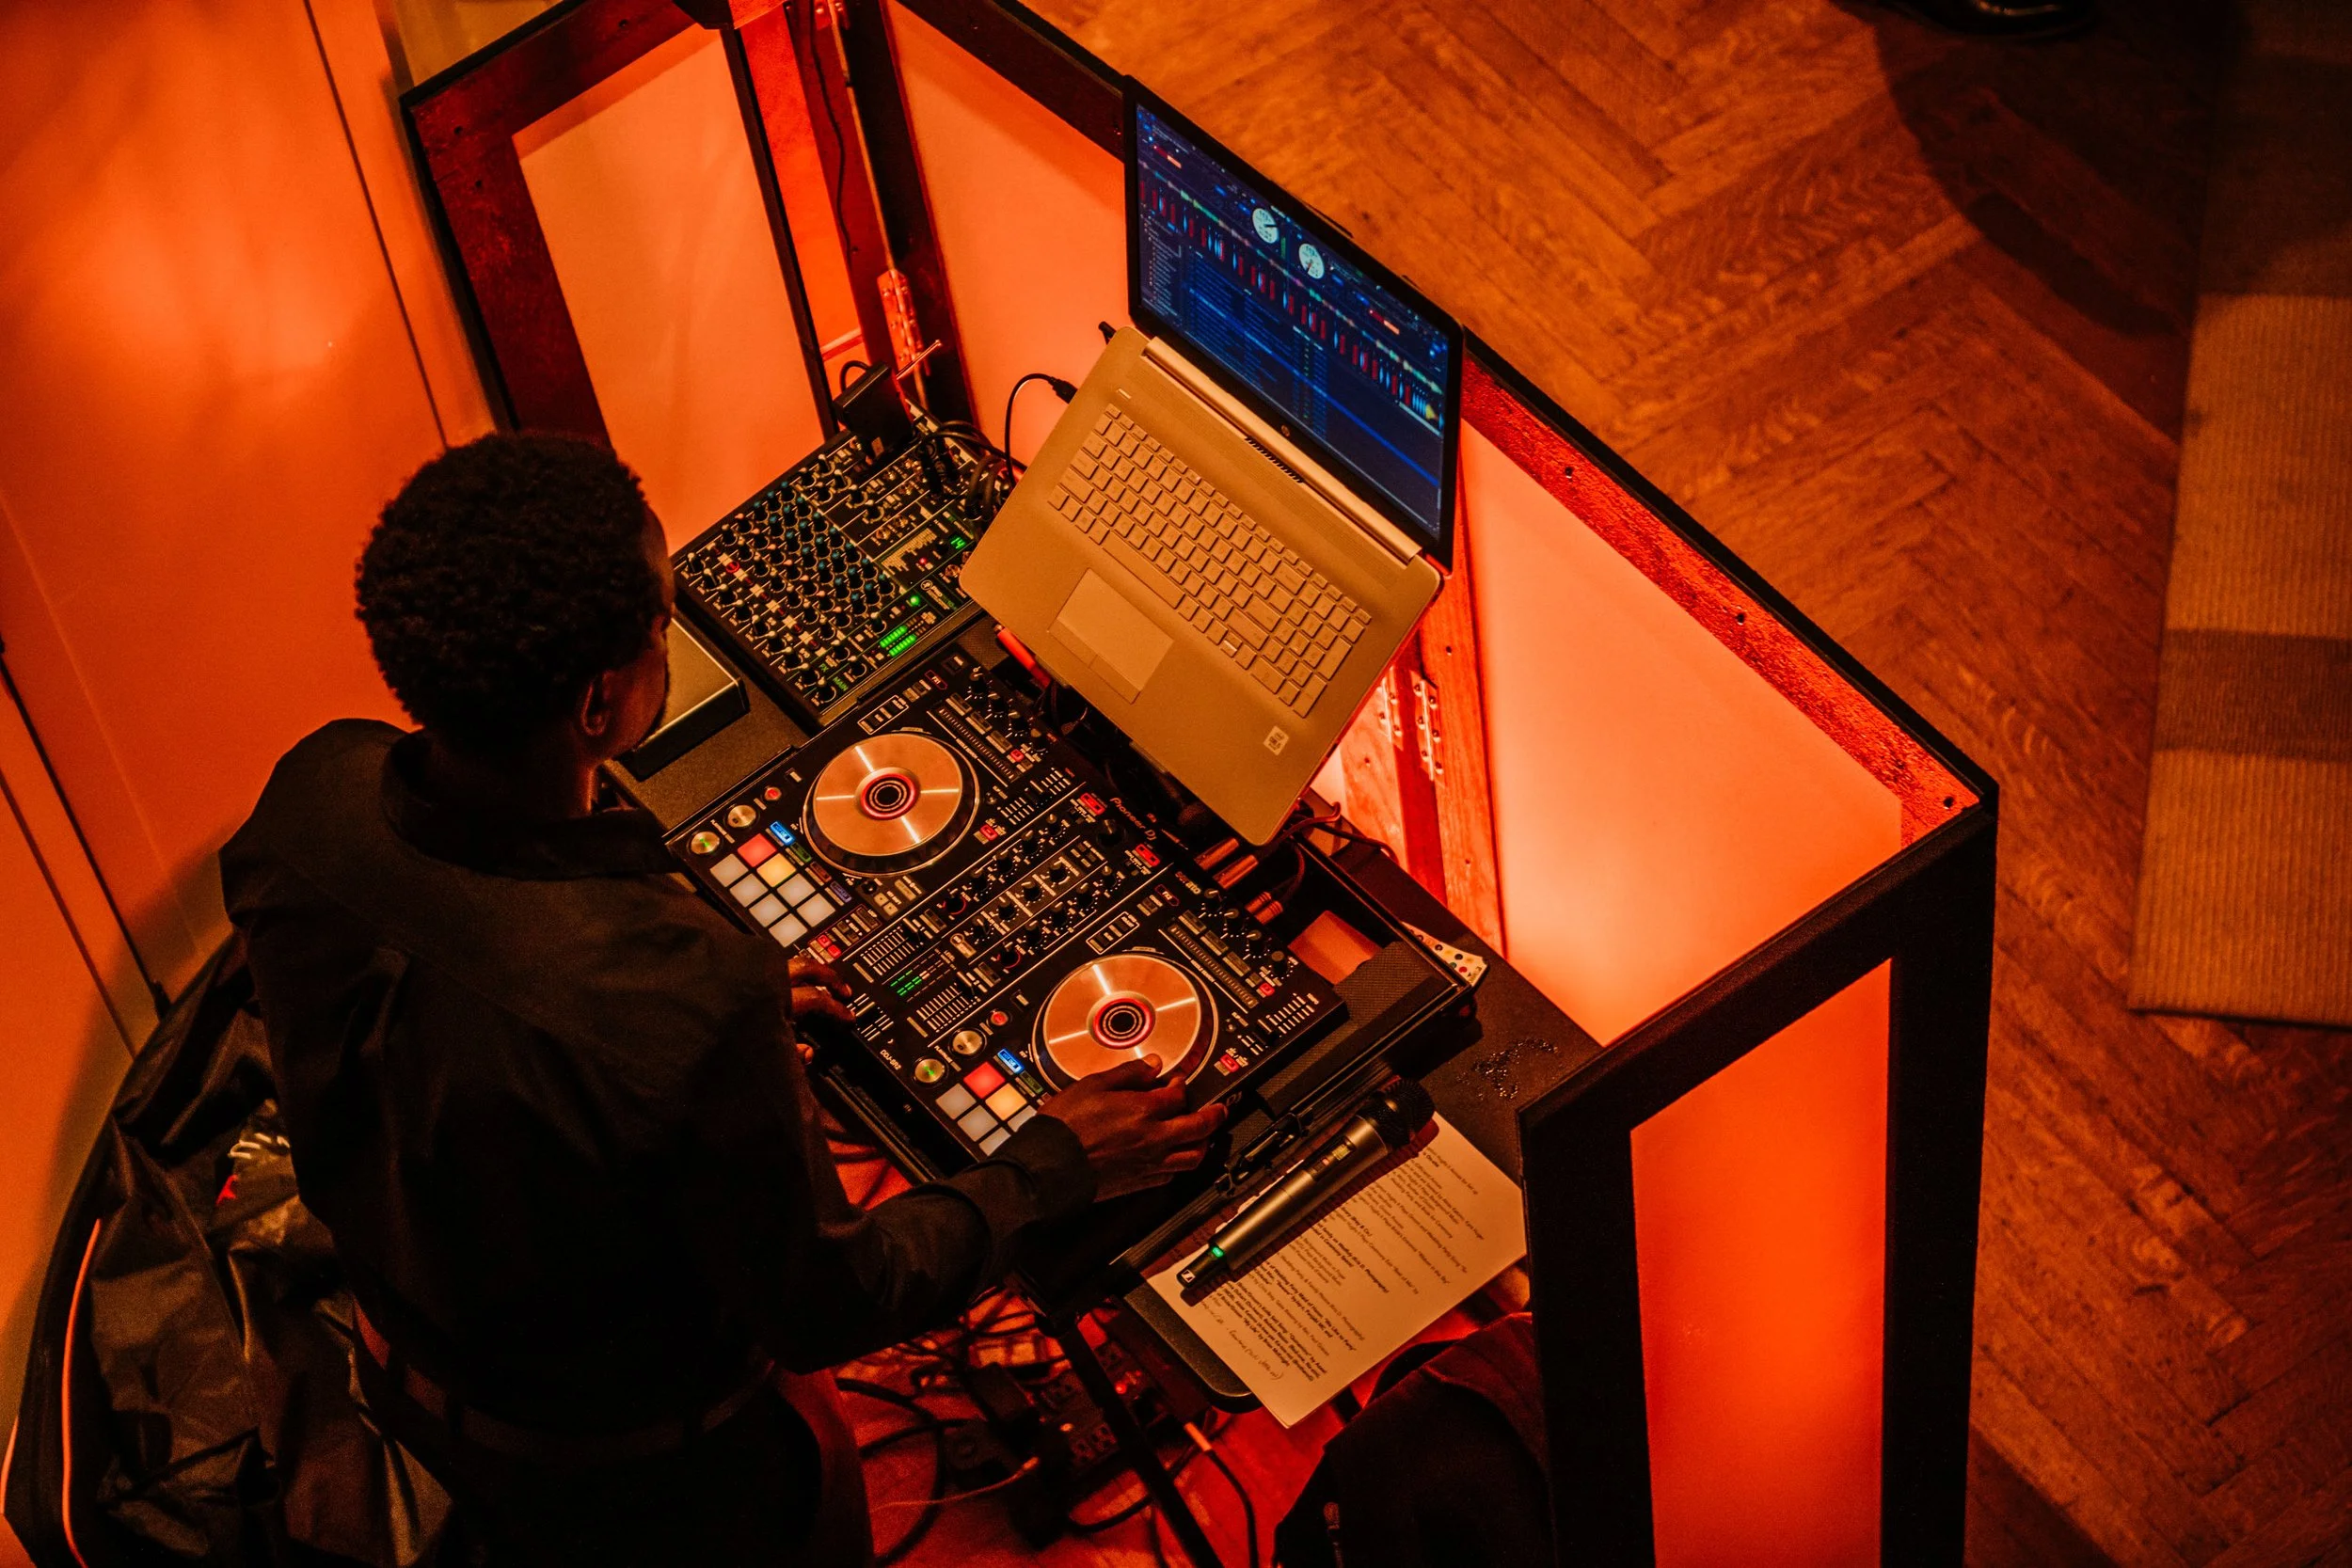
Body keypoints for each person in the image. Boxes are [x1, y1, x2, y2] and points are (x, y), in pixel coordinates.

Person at [219, 433, 1226, 1566]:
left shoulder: (315, 794)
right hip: (656, 1502)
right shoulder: (679, 1004)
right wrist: (1053, 1164)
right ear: (601, 700)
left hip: (410, 1400)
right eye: (665, 618)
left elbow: (490, 1017)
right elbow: (827, 1304)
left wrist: (693, 1030)